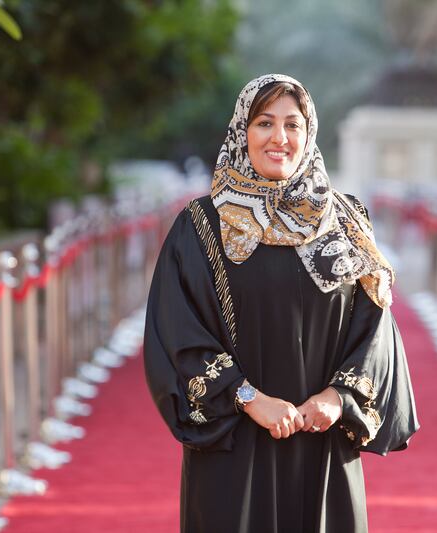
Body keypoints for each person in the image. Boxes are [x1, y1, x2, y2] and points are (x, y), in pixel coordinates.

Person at [144, 74, 418, 533]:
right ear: (241, 132)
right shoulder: (201, 227)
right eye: (265, 123)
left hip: (324, 444)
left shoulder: (345, 220)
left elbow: (376, 326)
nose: (280, 138)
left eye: (293, 125)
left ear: (308, 134)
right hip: (232, 444)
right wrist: (249, 398)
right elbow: (176, 332)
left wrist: (340, 396)